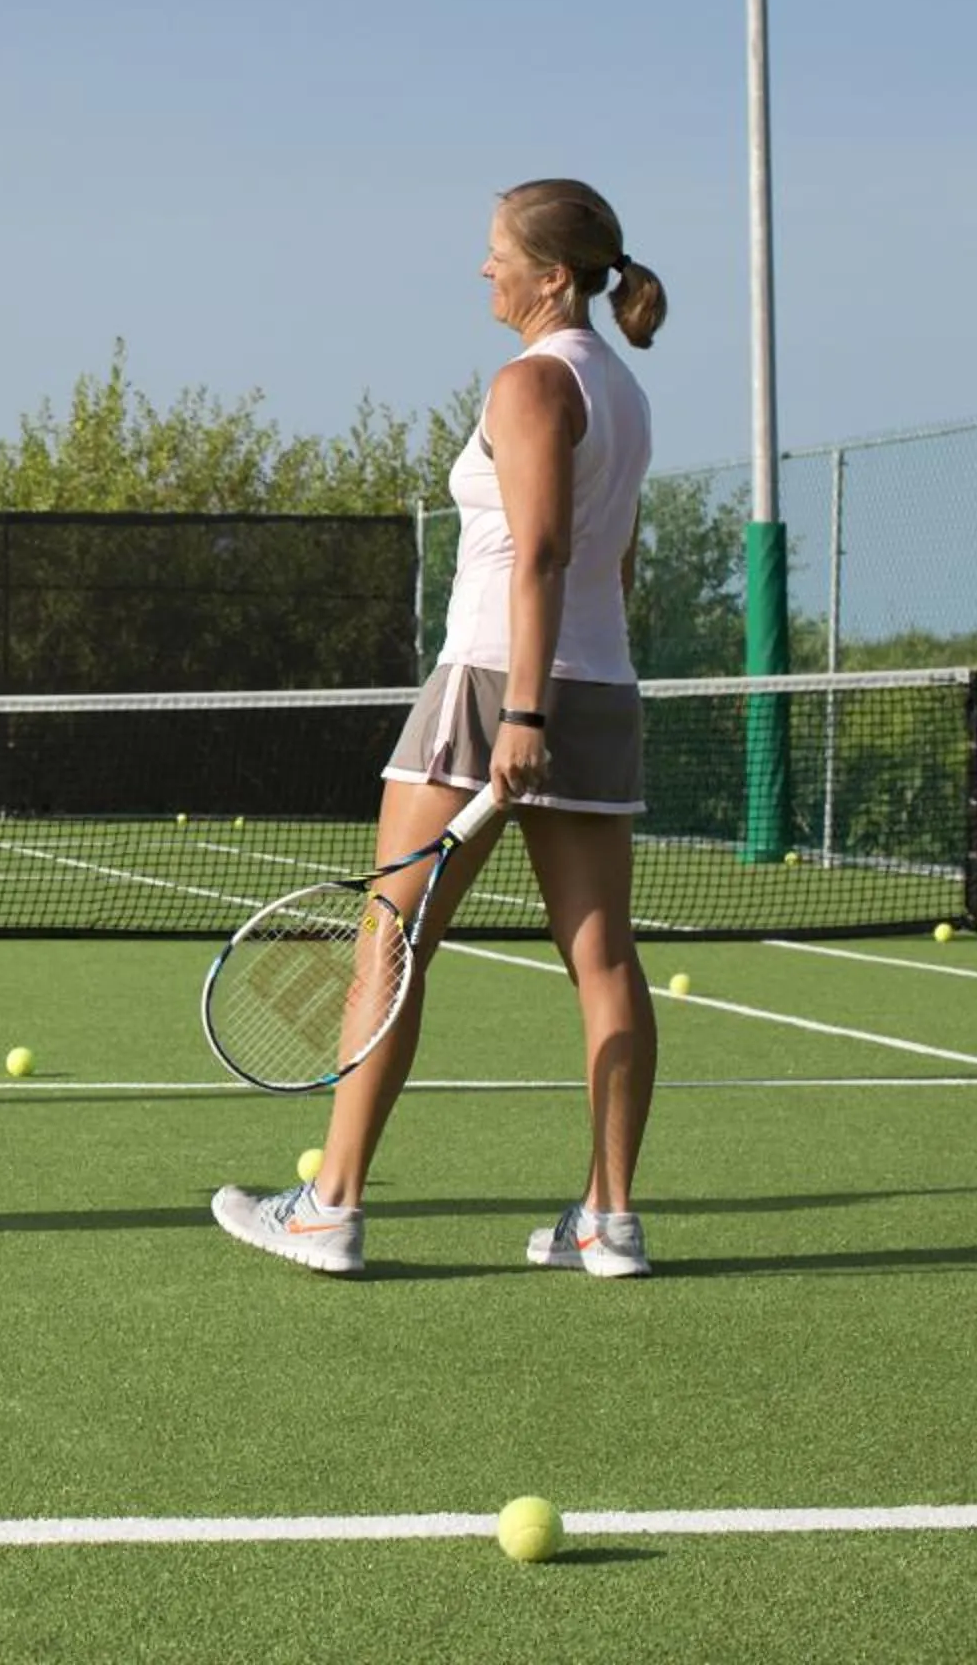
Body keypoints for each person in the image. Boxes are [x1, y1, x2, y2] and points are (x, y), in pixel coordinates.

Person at [213, 179, 666, 1278]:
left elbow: (548, 550)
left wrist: (520, 711)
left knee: (390, 937)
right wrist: (561, 693)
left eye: (498, 252)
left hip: (491, 688)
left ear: (551, 274)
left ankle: (330, 1206)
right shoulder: (626, 389)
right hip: (599, 688)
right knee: (603, 957)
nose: (484, 268)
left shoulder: (530, 381)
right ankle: (609, 1219)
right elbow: (620, 562)